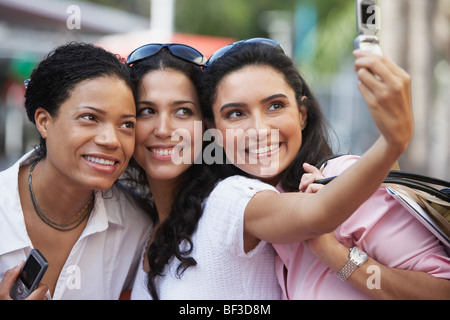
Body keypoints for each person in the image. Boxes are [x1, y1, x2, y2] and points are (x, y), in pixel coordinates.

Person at [200, 38, 450, 299]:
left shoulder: (341, 179)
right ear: (213, 131)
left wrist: (336, 255)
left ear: (302, 114)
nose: (260, 130)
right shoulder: (250, 213)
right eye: (236, 114)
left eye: (275, 106)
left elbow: (440, 291)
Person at [124, 43, 281, 300]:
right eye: (147, 111)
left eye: (183, 111)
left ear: (207, 126)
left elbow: (316, 213)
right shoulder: (141, 221)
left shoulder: (229, 199)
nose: (163, 129)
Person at [0, 42, 151, 300]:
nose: (111, 140)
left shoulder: (136, 228)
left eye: (126, 124)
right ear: (44, 122)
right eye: (90, 118)